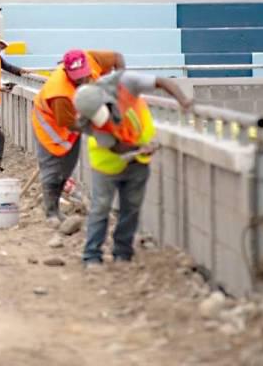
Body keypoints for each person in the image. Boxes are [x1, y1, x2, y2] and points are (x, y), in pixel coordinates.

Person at [74, 71, 191, 267]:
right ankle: (92, 255)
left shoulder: (125, 83)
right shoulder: (90, 119)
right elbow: (114, 146)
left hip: (138, 161)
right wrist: (140, 148)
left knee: (131, 208)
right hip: (106, 163)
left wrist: (183, 101)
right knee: (100, 208)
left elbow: (161, 81)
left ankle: (123, 253)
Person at [32, 49, 125, 224]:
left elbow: (117, 57)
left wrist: (119, 88)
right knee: (53, 167)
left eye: (85, 75)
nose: (83, 80)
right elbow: (68, 123)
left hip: (76, 114)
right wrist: (100, 129)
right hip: (51, 123)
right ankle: (51, 212)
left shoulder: (91, 58)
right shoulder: (59, 92)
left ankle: (57, 206)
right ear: (67, 72)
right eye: (77, 77)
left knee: (68, 165)